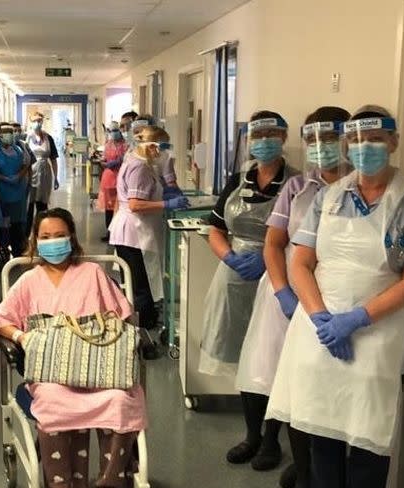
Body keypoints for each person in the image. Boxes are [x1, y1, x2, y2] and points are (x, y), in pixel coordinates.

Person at [266, 106, 404, 488]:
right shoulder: (329, 198)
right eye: (358, 143)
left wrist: (358, 318)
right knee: (321, 427)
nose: (366, 150)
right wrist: (322, 316)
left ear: (394, 143)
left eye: (376, 141)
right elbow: (301, 262)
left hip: (379, 331)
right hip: (319, 327)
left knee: (368, 431)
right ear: (349, 146)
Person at [0, 208, 148, 488]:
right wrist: (21, 335)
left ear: (71, 237)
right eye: (45, 237)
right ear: (35, 241)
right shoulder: (28, 281)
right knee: (52, 400)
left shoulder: (92, 273)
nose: (52, 242)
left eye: (58, 235)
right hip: (53, 374)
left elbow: (124, 317)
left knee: (121, 399)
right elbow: (2, 321)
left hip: (100, 369)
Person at [236, 107, 350, 488]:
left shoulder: (363, 190)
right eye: (313, 140)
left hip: (339, 302)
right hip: (291, 296)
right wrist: (284, 293)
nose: (321, 148)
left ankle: (325, 479)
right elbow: (273, 243)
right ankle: (304, 478)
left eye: (330, 139)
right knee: (293, 389)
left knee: (329, 394)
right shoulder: (299, 187)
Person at [198, 110, 298, 467]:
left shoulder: (296, 183)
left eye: (272, 133)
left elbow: (302, 239)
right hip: (235, 276)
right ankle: (252, 435)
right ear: (249, 140)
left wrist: (273, 260)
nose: (264, 140)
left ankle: (272, 439)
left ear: (284, 138)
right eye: (258, 134)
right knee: (244, 357)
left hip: (277, 277)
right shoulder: (238, 179)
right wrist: (228, 257)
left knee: (271, 358)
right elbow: (214, 227)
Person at [109, 126, 190, 343]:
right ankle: (143, 335)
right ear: (152, 146)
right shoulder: (140, 168)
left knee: (141, 283)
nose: (163, 153)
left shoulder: (141, 162)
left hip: (134, 232)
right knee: (141, 287)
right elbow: (135, 204)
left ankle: (148, 320)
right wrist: (167, 203)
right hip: (133, 233)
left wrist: (167, 190)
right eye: (162, 148)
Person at [0, 122, 29, 257]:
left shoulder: (18, 149)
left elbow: (26, 163)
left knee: (16, 224)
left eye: (11, 133)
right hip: (1, 192)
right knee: (2, 224)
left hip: (18, 192)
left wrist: (19, 175)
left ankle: (17, 250)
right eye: (6, 133)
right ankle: (1, 250)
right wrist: (5, 178)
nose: (10, 136)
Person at [97, 121, 128, 241]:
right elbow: (104, 158)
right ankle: (109, 233)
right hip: (109, 178)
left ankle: (119, 233)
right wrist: (104, 162)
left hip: (121, 177)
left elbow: (125, 158)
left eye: (116, 130)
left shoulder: (125, 145)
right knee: (109, 208)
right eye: (111, 131)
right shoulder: (108, 144)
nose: (114, 133)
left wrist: (117, 161)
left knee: (120, 207)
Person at [26, 111, 59, 222]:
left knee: (42, 203)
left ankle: (41, 227)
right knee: (29, 204)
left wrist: (56, 177)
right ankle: (26, 234)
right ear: (30, 122)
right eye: (35, 121)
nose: (37, 123)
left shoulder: (48, 138)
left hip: (45, 173)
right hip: (30, 172)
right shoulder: (26, 137)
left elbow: (53, 159)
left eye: (39, 121)